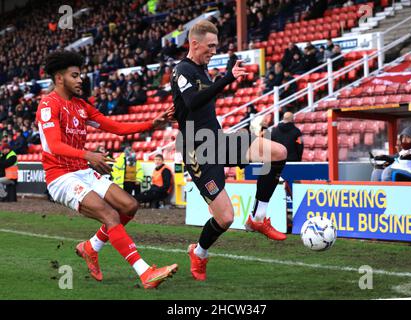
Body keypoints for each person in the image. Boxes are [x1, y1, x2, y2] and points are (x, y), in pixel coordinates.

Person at [36, 50, 177, 290]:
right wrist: (89, 155)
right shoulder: (48, 104)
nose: (81, 79)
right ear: (60, 78)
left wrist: (151, 123)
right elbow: (55, 145)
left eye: (80, 75)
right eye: (75, 75)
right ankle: (145, 273)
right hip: (60, 176)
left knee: (129, 205)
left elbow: (115, 127)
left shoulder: (81, 106)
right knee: (110, 215)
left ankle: (91, 247)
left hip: (82, 170)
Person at [170, 20, 287, 282]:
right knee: (225, 218)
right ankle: (199, 253)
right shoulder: (182, 70)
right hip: (197, 151)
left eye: (216, 46)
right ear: (194, 43)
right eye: (210, 46)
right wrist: (227, 78)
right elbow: (193, 101)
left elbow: (192, 106)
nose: (213, 50)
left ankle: (258, 217)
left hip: (218, 140)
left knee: (277, 152)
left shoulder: (202, 70)